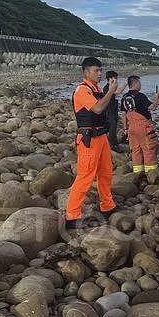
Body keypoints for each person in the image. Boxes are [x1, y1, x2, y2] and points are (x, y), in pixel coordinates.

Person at [66, 57, 118, 228]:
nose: (99, 73)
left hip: (101, 137)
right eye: (96, 71)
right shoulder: (82, 91)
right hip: (88, 139)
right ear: (86, 72)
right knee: (85, 176)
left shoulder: (95, 89)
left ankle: (107, 205)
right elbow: (97, 108)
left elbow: (104, 106)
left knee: (106, 172)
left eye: (101, 70)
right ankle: (72, 216)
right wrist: (110, 91)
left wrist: (111, 90)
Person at [120, 75, 159, 175]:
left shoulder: (125, 97)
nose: (140, 85)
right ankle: (151, 174)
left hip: (131, 127)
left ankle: (137, 173)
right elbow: (152, 107)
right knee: (148, 148)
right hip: (143, 126)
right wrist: (157, 97)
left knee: (135, 150)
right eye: (139, 83)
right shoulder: (141, 96)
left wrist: (125, 128)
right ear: (136, 83)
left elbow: (123, 114)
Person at [102, 71, 127, 151]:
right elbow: (118, 92)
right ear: (110, 79)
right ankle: (113, 145)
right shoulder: (107, 88)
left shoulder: (110, 87)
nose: (116, 80)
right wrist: (126, 83)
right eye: (115, 78)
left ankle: (112, 143)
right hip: (109, 111)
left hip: (113, 110)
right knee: (112, 128)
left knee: (113, 127)